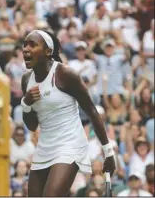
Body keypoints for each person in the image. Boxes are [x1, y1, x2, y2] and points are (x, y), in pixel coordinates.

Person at [20, 29, 116, 196]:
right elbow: (32, 125)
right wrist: (26, 103)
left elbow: (92, 111)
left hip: (70, 144)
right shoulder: (26, 80)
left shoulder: (65, 74)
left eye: (32, 45)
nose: (26, 49)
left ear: (48, 52)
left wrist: (108, 152)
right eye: (25, 44)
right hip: (45, 146)